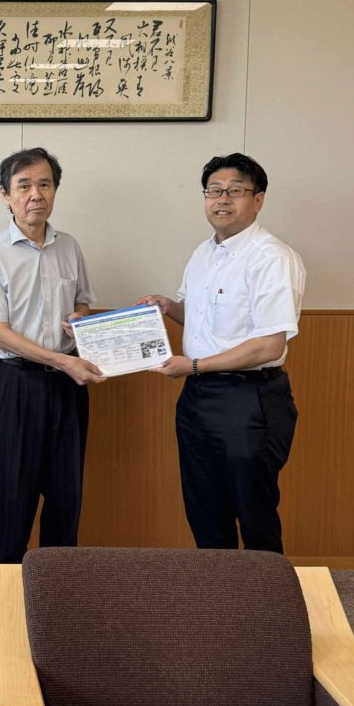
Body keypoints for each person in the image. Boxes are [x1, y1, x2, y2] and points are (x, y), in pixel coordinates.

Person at [141, 152, 305, 553]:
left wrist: (194, 365)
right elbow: (202, 319)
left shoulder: (272, 257)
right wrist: (168, 307)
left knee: (254, 512)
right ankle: (218, 592)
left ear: (258, 199)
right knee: (205, 510)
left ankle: (264, 593)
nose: (222, 199)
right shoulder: (203, 253)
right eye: (214, 191)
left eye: (235, 191)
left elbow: (269, 344)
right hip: (198, 398)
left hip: (249, 400)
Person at [0, 147, 105, 565]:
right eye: (24, 185)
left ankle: (57, 593)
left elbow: (82, 302)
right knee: (14, 500)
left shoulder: (70, 246)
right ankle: (9, 593)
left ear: (55, 191)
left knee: (66, 498)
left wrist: (79, 320)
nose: (35, 194)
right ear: (5, 195)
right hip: (15, 385)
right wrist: (63, 360)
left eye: (45, 184)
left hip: (68, 387)